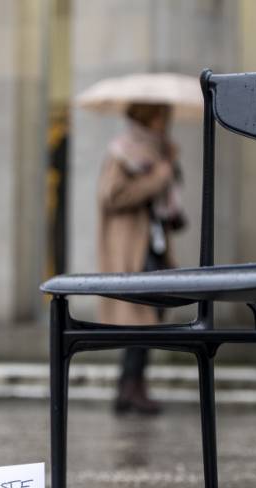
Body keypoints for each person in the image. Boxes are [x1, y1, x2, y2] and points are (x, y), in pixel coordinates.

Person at [97, 103, 186, 415]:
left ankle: (131, 386)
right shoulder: (122, 152)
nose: (166, 123)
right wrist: (157, 178)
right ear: (148, 117)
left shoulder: (160, 153)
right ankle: (131, 387)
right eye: (161, 116)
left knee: (151, 314)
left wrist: (168, 166)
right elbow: (111, 195)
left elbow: (167, 201)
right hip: (130, 246)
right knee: (141, 316)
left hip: (154, 244)